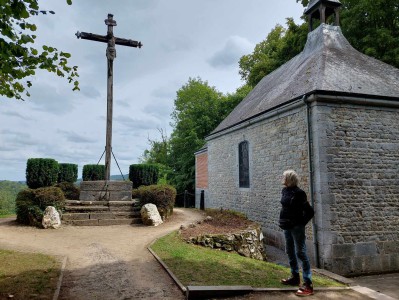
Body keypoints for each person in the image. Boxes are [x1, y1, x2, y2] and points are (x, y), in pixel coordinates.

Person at [279, 169, 315, 297]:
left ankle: (308, 284)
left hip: (296, 228)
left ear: (289, 179)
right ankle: (295, 277)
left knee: (300, 252)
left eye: (284, 176)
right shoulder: (284, 191)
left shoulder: (300, 193)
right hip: (287, 227)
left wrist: (300, 224)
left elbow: (310, 211)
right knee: (289, 250)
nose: (282, 178)